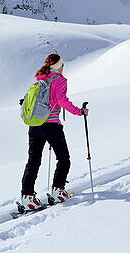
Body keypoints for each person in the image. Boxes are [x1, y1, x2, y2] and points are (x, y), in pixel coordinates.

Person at [18, 53, 89, 211]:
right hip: (51, 125)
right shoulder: (59, 80)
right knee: (64, 159)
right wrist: (80, 111)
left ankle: (27, 197)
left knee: (33, 161)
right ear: (58, 66)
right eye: (62, 65)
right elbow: (62, 101)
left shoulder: (40, 79)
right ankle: (58, 191)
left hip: (34, 125)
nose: (63, 68)